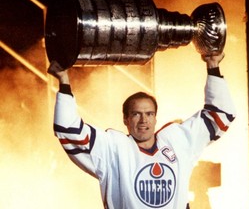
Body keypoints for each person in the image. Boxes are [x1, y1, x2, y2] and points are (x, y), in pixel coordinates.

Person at [48, 52, 236, 209]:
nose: (143, 119)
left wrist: (213, 65)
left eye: (149, 114)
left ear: (155, 117)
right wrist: (64, 81)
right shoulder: (114, 148)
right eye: (136, 114)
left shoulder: (177, 140)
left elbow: (221, 114)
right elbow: (69, 130)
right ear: (126, 119)